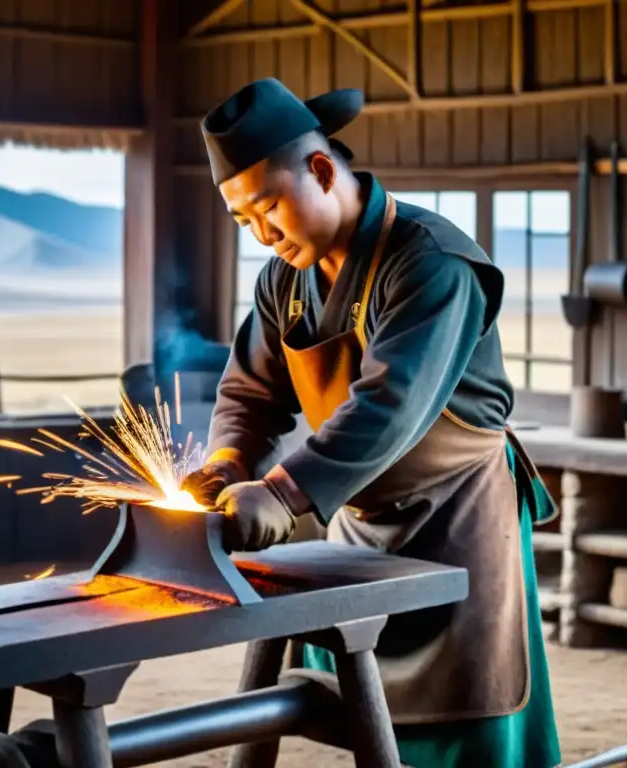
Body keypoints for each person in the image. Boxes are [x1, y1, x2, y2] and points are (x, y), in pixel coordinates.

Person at [180, 77, 562, 768]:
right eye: (244, 222)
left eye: (269, 207)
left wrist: (285, 494)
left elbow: (392, 405)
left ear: (322, 170)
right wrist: (229, 463)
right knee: (361, 715)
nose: (263, 233)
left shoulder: (431, 261)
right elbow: (249, 390)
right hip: (357, 522)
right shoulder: (284, 281)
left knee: (469, 717)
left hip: (462, 519)